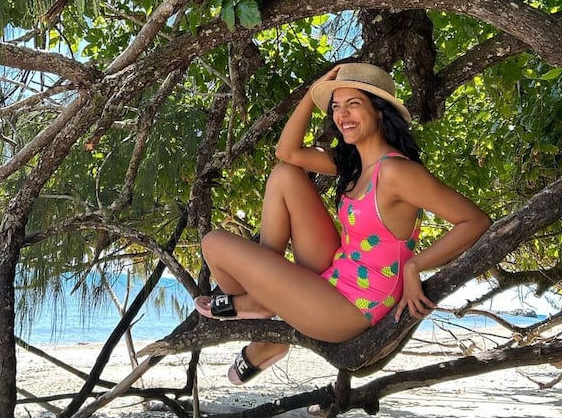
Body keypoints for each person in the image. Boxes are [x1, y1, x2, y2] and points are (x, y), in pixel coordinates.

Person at [194, 62, 491, 385]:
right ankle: (264, 307)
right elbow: (287, 152)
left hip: (354, 307)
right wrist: (311, 94)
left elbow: (474, 220)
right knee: (285, 175)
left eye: (353, 104)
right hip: (337, 270)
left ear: (379, 111)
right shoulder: (355, 164)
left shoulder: (397, 172)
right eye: (336, 107)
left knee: (214, 243)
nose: (342, 114)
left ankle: (264, 321)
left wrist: (414, 266)